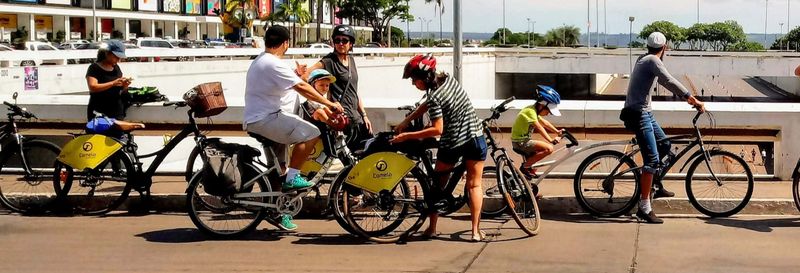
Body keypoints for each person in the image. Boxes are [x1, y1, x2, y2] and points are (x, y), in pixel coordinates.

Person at [243, 25, 343, 231]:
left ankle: (279, 212)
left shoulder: (263, 61)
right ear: (286, 43)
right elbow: (302, 87)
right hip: (267, 119)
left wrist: (298, 74)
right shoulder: (272, 63)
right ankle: (293, 178)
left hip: (265, 119)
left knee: (279, 169)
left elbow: (294, 83)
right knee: (312, 133)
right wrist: (329, 104)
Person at [391, 54, 488, 242]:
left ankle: (432, 228)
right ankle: (475, 232)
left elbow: (437, 129)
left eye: (414, 80)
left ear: (423, 78)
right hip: (476, 138)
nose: (413, 84)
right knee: (475, 185)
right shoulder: (449, 80)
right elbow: (427, 104)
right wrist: (408, 119)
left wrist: (407, 135)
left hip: (452, 143)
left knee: (437, 185)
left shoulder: (435, 97)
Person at [620, 32, 705, 224]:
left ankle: (655, 184)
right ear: (664, 47)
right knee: (651, 160)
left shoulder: (644, 58)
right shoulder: (652, 60)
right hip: (639, 115)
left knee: (665, 145)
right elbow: (668, 80)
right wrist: (691, 99)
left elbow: (662, 80)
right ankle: (644, 207)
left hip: (645, 113)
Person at [296, 25, 372, 150]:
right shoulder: (329, 61)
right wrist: (322, 100)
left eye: (344, 40)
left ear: (351, 43)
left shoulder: (351, 60)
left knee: (368, 151)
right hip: (342, 119)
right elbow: (306, 77)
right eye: (337, 40)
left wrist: (364, 115)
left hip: (356, 118)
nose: (340, 43)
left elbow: (354, 90)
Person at [511, 85, 564, 180]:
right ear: (542, 106)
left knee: (535, 164)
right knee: (548, 149)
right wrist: (551, 140)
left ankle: (528, 182)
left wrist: (557, 131)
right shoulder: (530, 112)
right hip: (520, 142)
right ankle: (525, 167)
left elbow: (545, 123)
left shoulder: (534, 110)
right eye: (548, 110)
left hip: (523, 141)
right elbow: (539, 127)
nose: (549, 113)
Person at [85, 40, 131, 121]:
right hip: (99, 110)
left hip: (116, 110)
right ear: (107, 54)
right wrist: (113, 83)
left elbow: (120, 90)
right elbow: (93, 87)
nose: (118, 60)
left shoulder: (116, 68)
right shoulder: (94, 68)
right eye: (116, 57)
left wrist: (125, 86)